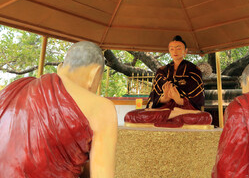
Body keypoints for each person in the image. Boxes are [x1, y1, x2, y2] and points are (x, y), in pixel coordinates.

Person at [0, 41, 117, 178]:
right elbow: (102, 175)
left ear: (61, 67)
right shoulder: (101, 108)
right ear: (94, 73)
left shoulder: (10, 90)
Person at [124, 35, 212, 128]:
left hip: (185, 110)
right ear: (169, 51)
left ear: (185, 51)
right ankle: (173, 114)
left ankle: (174, 114)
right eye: (172, 49)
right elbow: (153, 99)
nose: (175, 51)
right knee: (130, 116)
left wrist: (179, 100)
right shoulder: (162, 71)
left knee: (205, 117)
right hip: (163, 109)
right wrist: (163, 99)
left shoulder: (193, 70)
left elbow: (198, 101)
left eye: (178, 48)